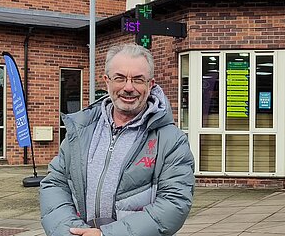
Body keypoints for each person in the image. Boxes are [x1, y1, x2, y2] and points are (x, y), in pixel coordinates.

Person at [40, 43, 195, 236]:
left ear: (151, 84)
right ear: (107, 81)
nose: (128, 87)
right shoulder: (81, 130)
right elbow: (55, 184)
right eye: (120, 78)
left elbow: (174, 204)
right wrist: (70, 231)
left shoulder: (171, 140)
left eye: (138, 80)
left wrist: (107, 234)